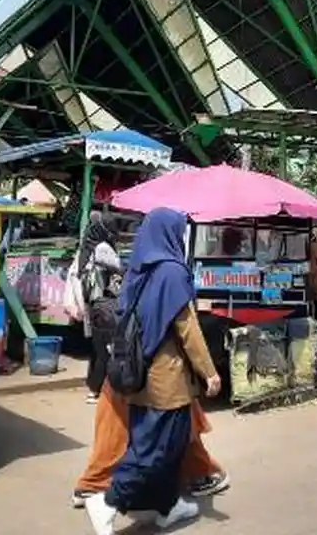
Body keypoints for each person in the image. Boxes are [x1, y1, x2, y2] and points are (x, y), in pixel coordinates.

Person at [84, 208, 222, 535]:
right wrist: (209, 372)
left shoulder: (138, 268)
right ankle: (108, 502)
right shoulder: (172, 272)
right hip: (167, 379)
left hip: (138, 373)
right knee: (156, 449)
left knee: (162, 445)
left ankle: (168, 505)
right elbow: (187, 329)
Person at [71, 392, 228, 508]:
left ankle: (93, 484)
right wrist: (208, 371)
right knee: (178, 413)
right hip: (158, 368)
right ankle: (197, 474)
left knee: (116, 417)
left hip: (124, 363)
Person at [73, 211, 124, 404]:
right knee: (106, 349)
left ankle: (93, 386)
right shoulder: (103, 248)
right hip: (105, 305)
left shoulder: (87, 248)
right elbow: (120, 266)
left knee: (97, 348)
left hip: (94, 305)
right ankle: (97, 390)